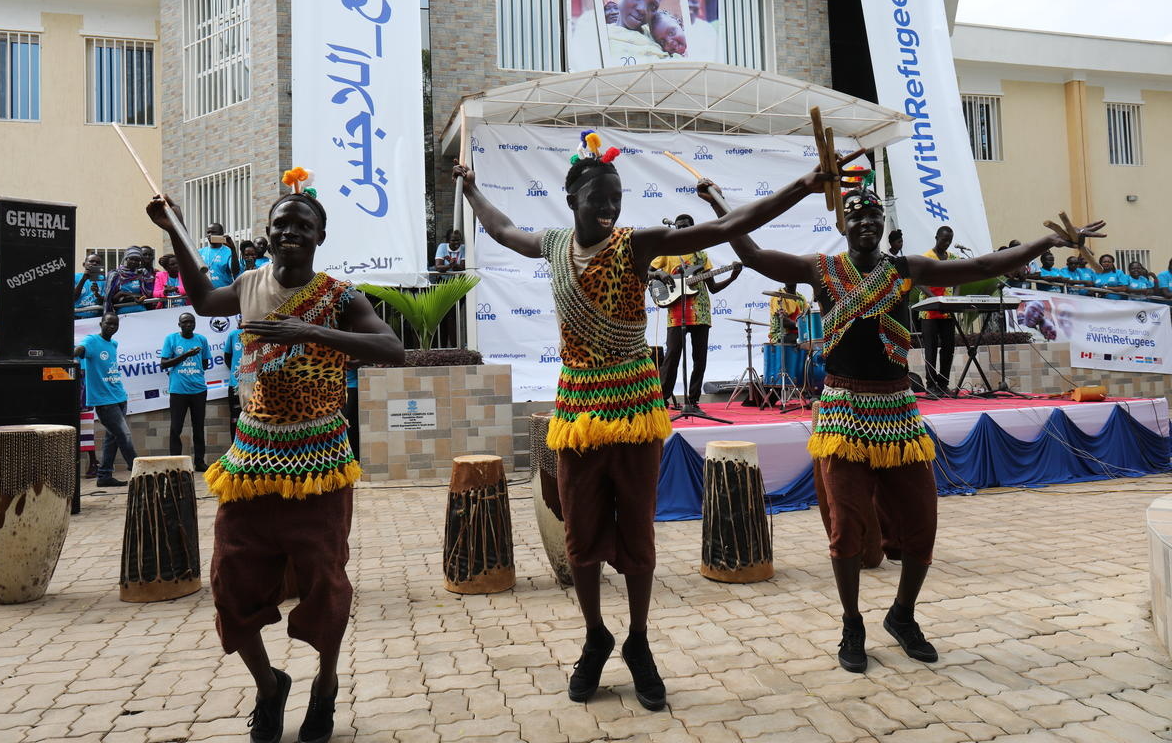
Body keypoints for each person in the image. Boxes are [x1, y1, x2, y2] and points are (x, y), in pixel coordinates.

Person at [452, 131, 852, 711]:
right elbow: (502, 230)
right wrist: (470, 189)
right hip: (578, 412)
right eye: (598, 199)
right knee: (579, 532)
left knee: (638, 531)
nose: (609, 208)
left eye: (615, 198)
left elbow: (719, 230)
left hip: (636, 412)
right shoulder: (555, 245)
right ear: (572, 200)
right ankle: (595, 635)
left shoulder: (636, 245)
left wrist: (803, 186)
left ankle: (638, 640)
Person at [706, 184, 1105, 673]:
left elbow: (981, 268)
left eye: (873, 215)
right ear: (842, 226)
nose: (866, 222)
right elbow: (750, 250)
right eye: (856, 216)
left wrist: (1046, 245)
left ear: (881, 224)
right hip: (842, 410)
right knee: (846, 527)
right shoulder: (819, 270)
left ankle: (902, 615)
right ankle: (852, 623)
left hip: (898, 412)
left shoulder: (905, 270)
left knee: (922, 523)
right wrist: (718, 204)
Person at [146, 173, 403, 743]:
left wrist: (309, 330)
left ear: (319, 238)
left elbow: (391, 348)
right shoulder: (247, 282)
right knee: (229, 585)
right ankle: (269, 684)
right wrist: (177, 229)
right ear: (266, 233)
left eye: (302, 226)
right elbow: (202, 300)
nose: (290, 232)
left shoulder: (340, 297)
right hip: (252, 463)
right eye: (281, 224)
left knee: (325, 587)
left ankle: (327, 684)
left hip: (320, 466)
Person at [649, 215, 741, 409]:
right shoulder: (667, 252)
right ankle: (662, 399)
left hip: (701, 313)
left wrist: (732, 277)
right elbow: (646, 272)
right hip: (677, 313)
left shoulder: (702, 256)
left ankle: (693, 400)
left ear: (693, 228)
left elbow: (713, 288)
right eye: (679, 227)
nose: (682, 230)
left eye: (686, 227)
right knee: (672, 357)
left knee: (700, 359)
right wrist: (659, 273)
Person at [74, 312, 135, 488]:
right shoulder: (92, 341)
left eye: (115, 324)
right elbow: (81, 349)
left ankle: (104, 476)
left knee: (113, 438)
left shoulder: (113, 344)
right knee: (124, 435)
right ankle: (140, 470)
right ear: (101, 324)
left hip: (119, 397)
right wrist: (75, 352)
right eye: (108, 324)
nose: (112, 327)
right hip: (104, 401)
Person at [160, 312, 211, 472]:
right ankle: (176, 462)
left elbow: (205, 363)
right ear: (179, 325)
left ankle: (200, 462)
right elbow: (164, 364)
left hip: (198, 391)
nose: (188, 325)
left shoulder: (202, 340)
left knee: (199, 427)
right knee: (176, 428)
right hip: (178, 391)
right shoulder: (171, 339)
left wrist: (194, 371)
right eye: (185, 322)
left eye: (191, 322)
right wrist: (186, 355)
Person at [919, 227, 958, 396]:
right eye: (944, 240)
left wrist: (955, 300)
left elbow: (959, 278)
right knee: (931, 348)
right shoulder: (926, 258)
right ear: (936, 238)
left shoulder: (953, 258)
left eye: (949, 240)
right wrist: (935, 298)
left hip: (947, 309)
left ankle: (943, 384)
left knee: (948, 347)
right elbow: (918, 280)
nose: (947, 243)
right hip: (929, 310)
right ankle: (931, 385)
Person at [105, 246, 155, 314]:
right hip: (122, 314)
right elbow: (110, 298)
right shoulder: (115, 275)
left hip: (141, 312)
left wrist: (139, 297)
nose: (134, 262)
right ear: (126, 259)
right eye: (131, 259)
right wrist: (129, 296)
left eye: (137, 260)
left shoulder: (143, 274)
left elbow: (148, 294)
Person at [198, 222, 241, 288]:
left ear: (221, 234)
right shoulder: (200, 252)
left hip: (223, 294)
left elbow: (235, 271)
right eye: (208, 232)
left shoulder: (229, 251)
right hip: (205, 294)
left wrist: (233, 249)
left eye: (213, 232)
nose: (210, 235)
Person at [223, 322, 244, 440]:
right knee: (235, 417)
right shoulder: (233, 335)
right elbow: (227, 356)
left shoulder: (257, 334)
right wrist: (236, 372)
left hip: (254, 385)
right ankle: (234, 447)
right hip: (235, 385)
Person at [74, 253, 107, 318]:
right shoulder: (75, 277)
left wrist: (97, 294)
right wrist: (83, 280)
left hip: (96, 318)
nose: (94, 263)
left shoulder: (103, 280)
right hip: (77, 317)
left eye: (98, 262)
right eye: (91, 261)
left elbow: (104, 302)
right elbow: (73, 298)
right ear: (84, 264)